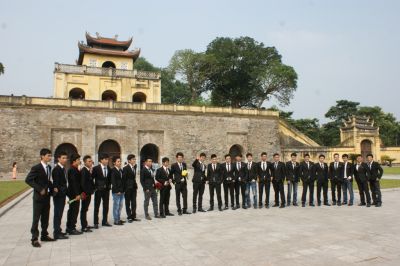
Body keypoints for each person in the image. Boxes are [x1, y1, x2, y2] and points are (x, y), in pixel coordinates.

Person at [25, 148, 55, 247]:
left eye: (50, 155)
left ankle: (44, 235)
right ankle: (34, 238)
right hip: (38, 197)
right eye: (48, 155)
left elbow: (47, 181)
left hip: (47, 197)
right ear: (42, 156)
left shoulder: (49, 167)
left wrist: (53, 187)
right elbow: (28, 180)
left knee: (45, 217)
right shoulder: (36, 168)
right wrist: (39, 189)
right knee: (36, 218)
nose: (50, 157)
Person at [51, 151, 69, 239]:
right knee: (57, 213)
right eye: (63, 158)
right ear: (58, 159)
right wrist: (63, 190)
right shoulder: (57, 169)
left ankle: (58, 230)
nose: (65, 160)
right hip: (59, 196)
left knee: (60, 213)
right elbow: (56, 184)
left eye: (66, 158)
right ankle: (56, 232)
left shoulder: (62, 168)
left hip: (62, 195)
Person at [92, 153, 112, 228]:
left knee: (106, 206)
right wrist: (95, 187)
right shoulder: (96, 168)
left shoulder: (109, 168)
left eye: (108, 159)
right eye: (105, 159)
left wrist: (109, 186)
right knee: (97, 206)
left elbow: (109, 179)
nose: (107, 161)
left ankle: (104, 221)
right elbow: (92, 178)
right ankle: (95, 222)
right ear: (101, 160)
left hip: (106, 191)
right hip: (98, 190)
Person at [66, 153, 83, 235]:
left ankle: (70, 227)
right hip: (74, 194)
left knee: (73, 210)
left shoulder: (75, 169)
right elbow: (74, 183)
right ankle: (71, 228)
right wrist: (77, 194)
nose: (79, 161)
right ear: (74, 161)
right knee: (73, 210)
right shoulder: (72, 170)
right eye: (78, 160)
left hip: (75, 193)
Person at [123, 154, 140, 223]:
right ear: (129, 161)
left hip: (133, 188)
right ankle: (129, 216)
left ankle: (133, 216)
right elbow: (124, 179)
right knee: (127, 203)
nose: (134, 160)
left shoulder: (134, 167)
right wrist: (124, 188)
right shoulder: (125, 168)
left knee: (134, 202)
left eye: (135, 159)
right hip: (127, 188)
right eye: (133, 159)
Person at [80, 155, 95, 232]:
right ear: (84, 162)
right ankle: (83, 226)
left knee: (85, 209)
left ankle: (85, 224)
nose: (91, 162)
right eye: (89, 161)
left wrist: (92, 189)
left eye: (91, 161)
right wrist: (86, 193)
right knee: (83, 209)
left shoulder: (88, 170)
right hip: (85, 194)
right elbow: (83, 184)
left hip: (88, 193)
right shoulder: (84, 171)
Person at [111, 156, 125, 225]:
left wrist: (123, 190)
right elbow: (113, 182)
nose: (120, 163)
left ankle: (118, 218)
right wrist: (117, 191)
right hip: (116, 192)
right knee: (116, 205)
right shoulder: (113, 170)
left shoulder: (121, 170)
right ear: (114, 163)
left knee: (120, 205)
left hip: (122, 191)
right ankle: (116, 220)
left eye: (120, 161)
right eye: (118, 161)